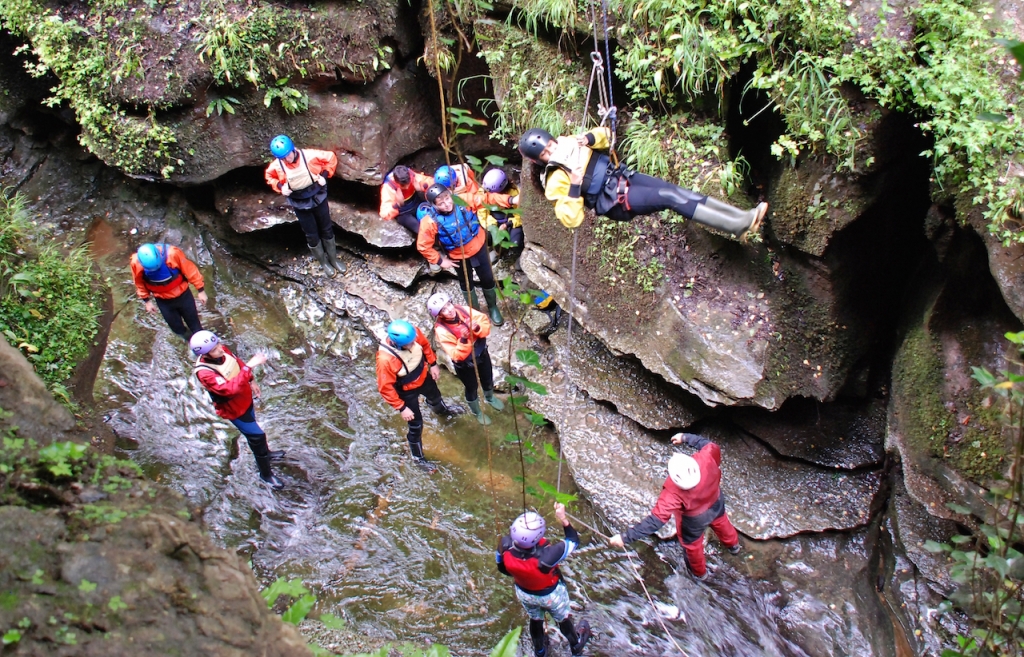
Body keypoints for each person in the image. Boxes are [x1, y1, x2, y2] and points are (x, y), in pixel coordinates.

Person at [519, 127, 767, 238]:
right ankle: (741, 224)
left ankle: (741, 219)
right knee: (669, 199)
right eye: (545, 154)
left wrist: (588, 137)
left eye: (550, 146)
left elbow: (608, 136)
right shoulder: (554, 179)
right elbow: (570, 219)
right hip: (614, 200)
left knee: (676, 191)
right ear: (540, 161)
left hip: (622, 176)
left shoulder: (571, 141)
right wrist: (574, 185)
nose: (552, 151)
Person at [608, 432, 741, 580]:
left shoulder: (672, 492)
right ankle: (733, 546)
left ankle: (700, 574)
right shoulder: (705, 459)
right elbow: (710, 446)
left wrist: (625, 537)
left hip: (693, 520)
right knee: (722, 522)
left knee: (693, 546)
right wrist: (685, 437)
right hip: (716, 501)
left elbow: (655, 521)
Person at [190, 331, 285, 490]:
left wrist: (251, 380)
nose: (220, 349)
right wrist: (249, 367)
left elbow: (237, 363)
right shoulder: (205, 372)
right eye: (214, 349)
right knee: (257, 436)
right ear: (206, 354)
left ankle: (266, 453)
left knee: (255, 431)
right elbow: (229, 390)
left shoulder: (221, 351)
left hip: (245, 400)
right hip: (234, 409)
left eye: (218, 344)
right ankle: (265, 475)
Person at [497, 503, 593, 657]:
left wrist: (523, 575)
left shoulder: (504, 544)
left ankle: (540, 651)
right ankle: (576, 646)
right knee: (563, 619)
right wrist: (563, 519)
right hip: (551, 596)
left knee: (535, 618)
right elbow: (573, 541)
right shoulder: (548, 556)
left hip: (524, 593)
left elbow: (502, 568)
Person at [417, 184, 504, 326]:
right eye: (441, 203)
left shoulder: (463, 201)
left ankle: (493, 307)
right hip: (458, 256)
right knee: (466, 283)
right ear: (434, 205)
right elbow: (422, 245)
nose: (447, 204)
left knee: (487, 278)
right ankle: (475, 312)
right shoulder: (430, 221)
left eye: (447, 198)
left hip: (479, 247)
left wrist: (511, 200)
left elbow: (487, 199)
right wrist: (440, 260)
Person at [375, 319, 452, 471]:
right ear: (397, 344)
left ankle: (444, 413)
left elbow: (424, 345)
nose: (412, 345)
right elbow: (385, 388)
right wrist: (402, 408)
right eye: (409, 344)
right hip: (406, 390)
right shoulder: (385, 360)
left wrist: (433, 364)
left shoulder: (412, 333)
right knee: (416, 424)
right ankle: (418, 457)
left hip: (423, 376)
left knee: (435, 397)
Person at [264, 134, 345, 277]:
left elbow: (331, 158)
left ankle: (333, 259)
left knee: (326, 227)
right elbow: (269, 176)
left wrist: (324, 176)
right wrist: (280, 186)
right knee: (311, 234)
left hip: (317, 195)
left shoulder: (309, 156)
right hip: (299, 202)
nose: (287, 160)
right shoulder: (278, 166)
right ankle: (324, 263)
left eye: (288, 155)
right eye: (283, 158)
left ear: (293, 149)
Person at [426, 291, 504, 425]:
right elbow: (457, 355)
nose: (449, 310)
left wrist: (477, 328)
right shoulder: (442, 330)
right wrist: (464, 339)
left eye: (448, 305)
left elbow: (485, 325)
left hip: (481, 353)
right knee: (471, 387)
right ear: (439, 315)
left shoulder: (464, 311)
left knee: (487, 377)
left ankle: (489, 398)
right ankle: (477, 412)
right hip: (465, 365)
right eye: (444, 310)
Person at [131, 243, 207, 341]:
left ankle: (203, 345)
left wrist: (200, 290)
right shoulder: (136, 262)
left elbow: (190, 271)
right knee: (177, 328)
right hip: (163, 301)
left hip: (183, 296)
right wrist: (147, 301)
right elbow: (139, 282)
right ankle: (190, 341)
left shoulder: (172, 254)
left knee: (195, 325)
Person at [433, 163, 518, 213]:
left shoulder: (462, 195)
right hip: (478, 198)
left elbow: (484, 200)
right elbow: (464, 166)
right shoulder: (463, 172)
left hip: (475, 203)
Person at [379, 165, 435, 235]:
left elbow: (429, 181)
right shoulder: (389, 187)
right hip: (403, 213)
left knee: (437, 217)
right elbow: (384, 214)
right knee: (420, 230)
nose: (407, 187)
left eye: (408, 183)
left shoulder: (412, 175)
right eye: (403, 185)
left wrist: (423, 187)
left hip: (416, 203)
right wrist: (397, 204)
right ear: (397, 182)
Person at [478, 168, 524, 250]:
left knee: (515, 245)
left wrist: (507, 224)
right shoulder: (483, 192)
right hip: (494, 221)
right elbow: (482, 215)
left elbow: (519, 215)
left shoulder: (513, 193)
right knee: (486, 238)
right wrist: (493, 226)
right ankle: (497, 248)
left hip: (510, 222)